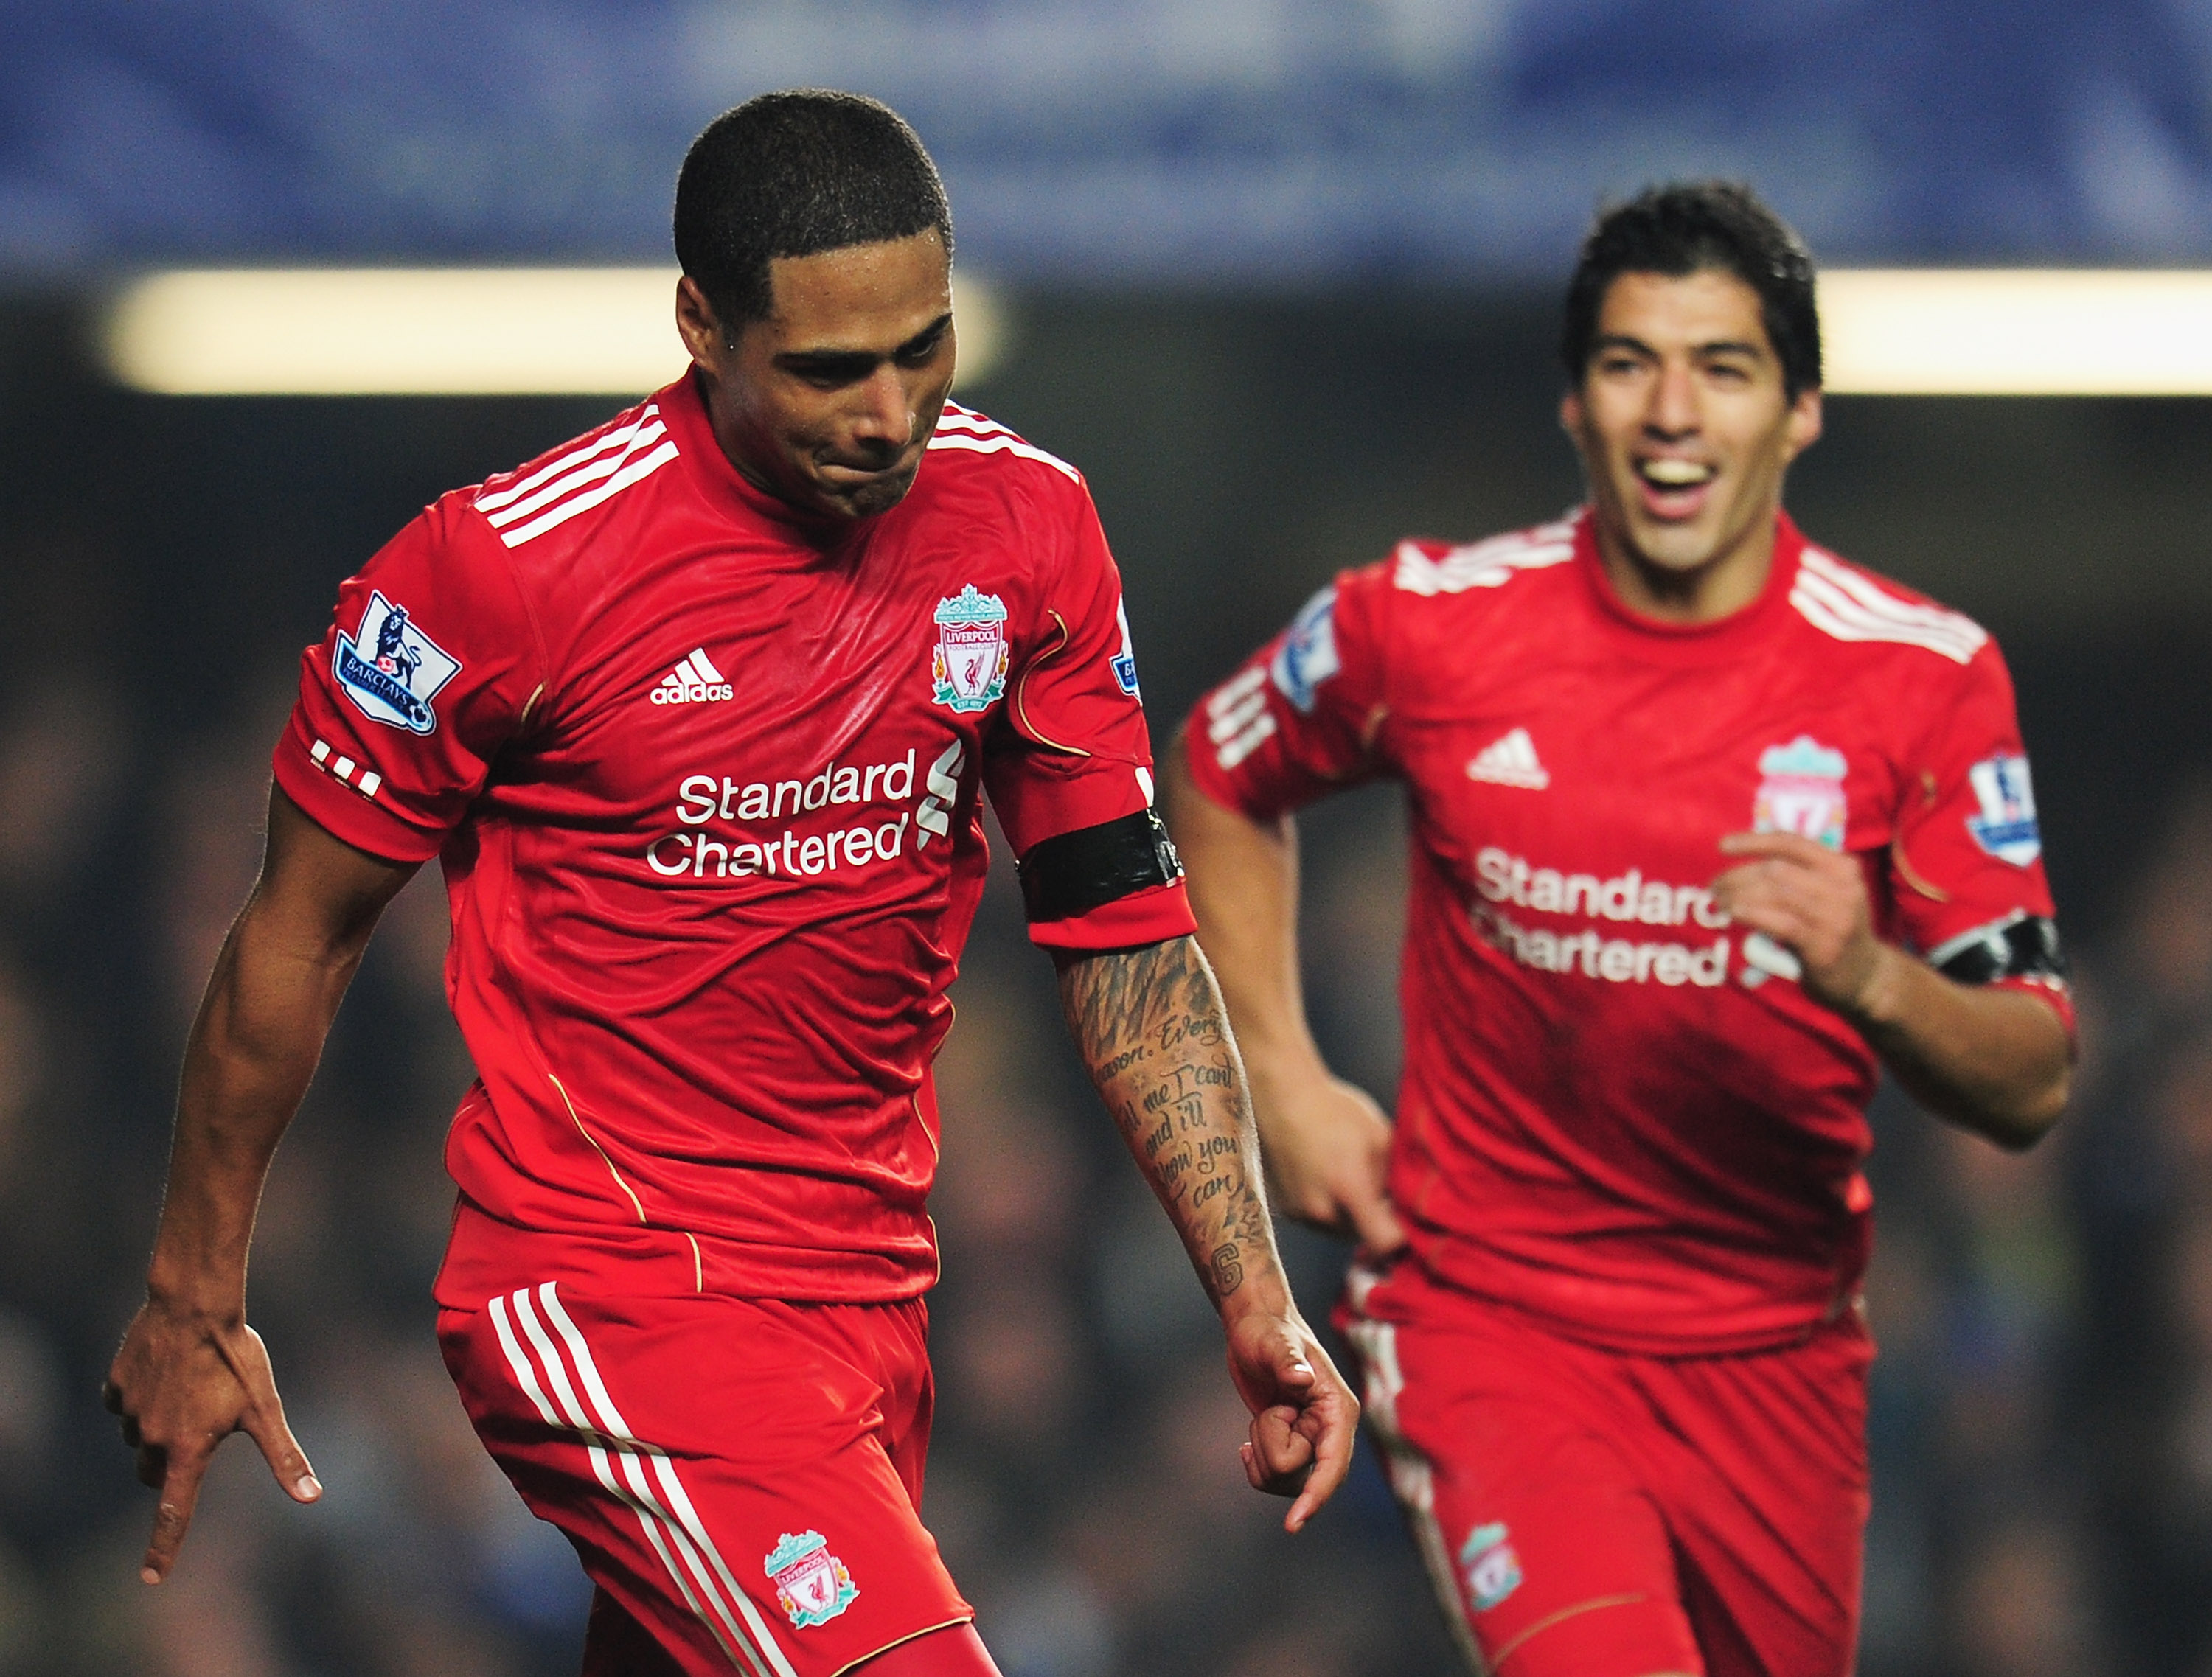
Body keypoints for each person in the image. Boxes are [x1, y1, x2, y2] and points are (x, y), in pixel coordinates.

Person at [103, 90, 1355, 1677]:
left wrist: (1252, 1292)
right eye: (830, 368)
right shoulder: (503, 570)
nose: (891, 412)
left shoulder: (1028, 526)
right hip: (610, 1285)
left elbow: (1123, 932)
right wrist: (192, 1285)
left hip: (869, 1305)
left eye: (925, 348)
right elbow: (297, 934)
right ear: (700, 322)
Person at [1164, 181, 2073, 1677]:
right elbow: (1214, 765)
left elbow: (2032, 1078)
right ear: (1574, 406)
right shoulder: (1431, 626)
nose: (1672, 410)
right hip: (1493, 1332)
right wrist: (1280, 1072)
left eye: (1722, 366)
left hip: (1782, 1364)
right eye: (1628, 363)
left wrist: (1871, 976)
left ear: (1800, 412)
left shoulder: (1923, 682)